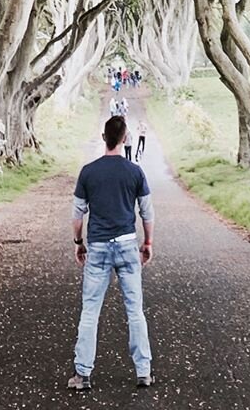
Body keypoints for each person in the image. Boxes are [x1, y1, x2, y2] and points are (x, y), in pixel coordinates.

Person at [68, 116, 155, 391]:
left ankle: (83, 375)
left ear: (103, 137)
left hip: (99, 247)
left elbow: (77, 214)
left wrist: (78, 241)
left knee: (90, 311)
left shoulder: (88, 172)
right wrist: (148, 242)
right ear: (125, 138)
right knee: (135, 311)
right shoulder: (135, 171)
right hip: (128, 244)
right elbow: (146, 212)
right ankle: (143, 372)